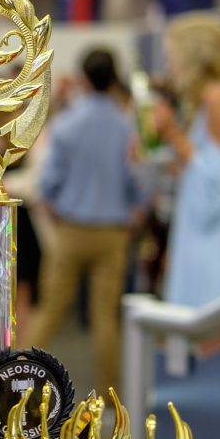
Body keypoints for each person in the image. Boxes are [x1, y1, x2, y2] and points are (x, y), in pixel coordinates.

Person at [26, 49, 144, 392]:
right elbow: (133, 179)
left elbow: (47, 183)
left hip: (71, 229)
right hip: (112, 232)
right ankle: (111, 397)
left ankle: (20, 382)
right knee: (105, 318)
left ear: (83, 78)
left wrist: (55, 209)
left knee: (49, 311)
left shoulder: (66, 124)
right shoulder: (125, 125)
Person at [153, 13, 220, 311]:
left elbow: (218, 185)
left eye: (172, 57)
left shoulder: (219, 99)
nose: (169, 67)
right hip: (212, 242)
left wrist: (172, 133)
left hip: (216, 247)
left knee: (212, 334)